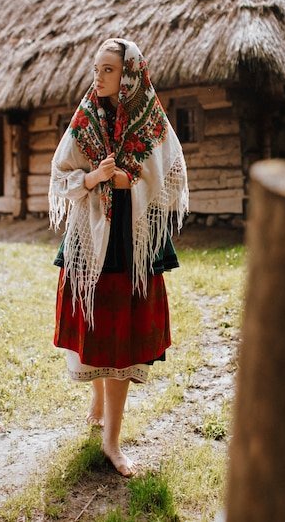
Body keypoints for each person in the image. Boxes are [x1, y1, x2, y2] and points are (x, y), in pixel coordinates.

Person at [49, 38, 188, 476]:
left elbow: (171, 170)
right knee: (99, 333)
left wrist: (131, 182)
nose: (99, 76)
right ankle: (99, 398)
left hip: (133, 241)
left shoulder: (149, 116)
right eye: (96, 68)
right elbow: (61, 174)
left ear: (128, 74)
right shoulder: (85, 116)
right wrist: (93, 177)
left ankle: (111, 442)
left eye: (108, 69)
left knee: (122, 340)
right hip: (93, 242)